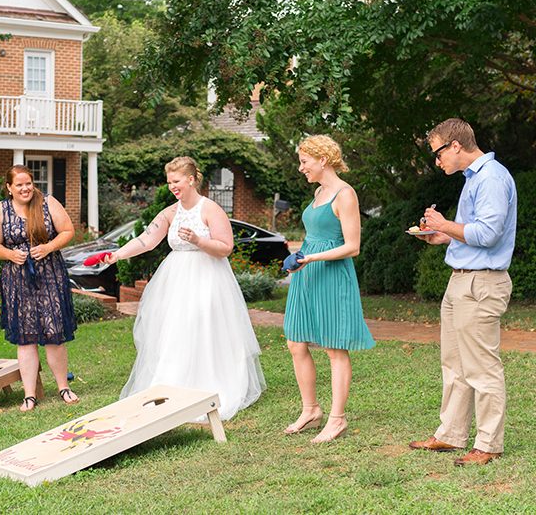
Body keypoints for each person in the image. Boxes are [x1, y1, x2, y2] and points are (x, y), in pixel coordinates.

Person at [102, 156, 265, 420]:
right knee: (175, 329)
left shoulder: (210, 209)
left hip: (208, 277)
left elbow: (225, 247)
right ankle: (171, 385)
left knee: (202, 326)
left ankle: (208, 384)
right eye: (169, 182)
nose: (172, 187)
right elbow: (146, 240)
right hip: (176, 280)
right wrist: (118, 254)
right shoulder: (169, 213)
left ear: (190, 179)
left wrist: (199, 241)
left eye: (176, 181)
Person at [409, 118, 517, 466]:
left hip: (482, 283)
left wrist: (444, 223)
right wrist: (443, 235)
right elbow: (472, 232)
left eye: (438, 153)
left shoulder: (492, 178)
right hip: (461, 280)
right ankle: (451, 434)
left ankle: (488, 444)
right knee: (454, 363)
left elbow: (488, 234)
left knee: (482, 367)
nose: (437, 160)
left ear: (455, 145)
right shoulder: (474, 179)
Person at [283, 135, 375, 443]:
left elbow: (352, 246)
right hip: (307, 274)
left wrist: (312, 258)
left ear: (323, 160)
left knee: (334, 348)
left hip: (332, 276)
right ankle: (311, 410)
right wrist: (299, 258)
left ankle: (337, 419)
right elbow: (315, 235)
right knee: (296, 343)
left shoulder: (345, 194)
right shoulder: (319, 192)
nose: (301, 168)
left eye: (304, 161)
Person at [0, 165, 80, 412]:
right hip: (17, 280)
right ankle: (29, 395)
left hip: (50, 276)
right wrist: (9, 254)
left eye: (28, 183)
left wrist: (48, 247)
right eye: (19, 185)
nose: (25, 188)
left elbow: (68, 230)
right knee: (25, 338)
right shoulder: (1, 210)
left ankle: (63, 387)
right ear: (9, 188)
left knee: (54, 333)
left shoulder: (48, 203)